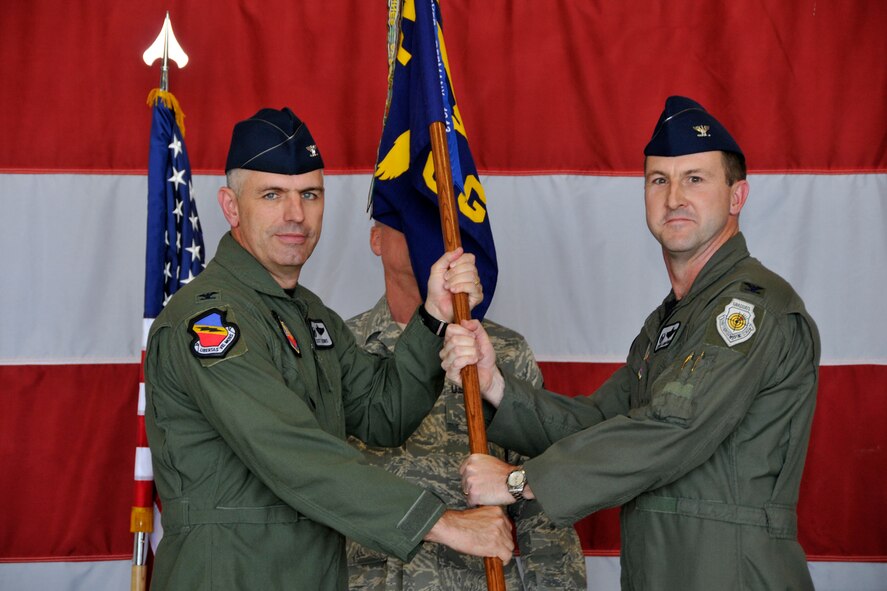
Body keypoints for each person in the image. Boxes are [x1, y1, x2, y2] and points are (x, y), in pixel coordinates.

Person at [444, 96, 821, 590]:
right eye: (659, 180)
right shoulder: (672, 322)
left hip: (731, 573)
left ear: (737, 196)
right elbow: (600, 424)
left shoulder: (749, 309)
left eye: (695, 178)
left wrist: (520, 482)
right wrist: (496, 385)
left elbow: (671, 429)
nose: (674, 197)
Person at [143, 107, 514, 591]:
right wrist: (442, 523)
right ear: (231, 207)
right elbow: (290, 451)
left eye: (309, 195)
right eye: (272, 195)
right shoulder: (209, 320)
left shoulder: (309, 315)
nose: (295, 215)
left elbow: (383, 413)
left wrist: (433, 316)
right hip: (229, 574)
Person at [345, 221, 587, 590]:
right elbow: (313, 487)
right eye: (408, 217)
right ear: (376, 239)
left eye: (433, 218)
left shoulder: (501, 350)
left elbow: (540, 499)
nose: (426, 232)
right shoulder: (340, 350)